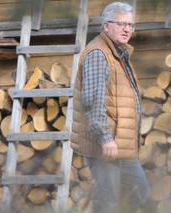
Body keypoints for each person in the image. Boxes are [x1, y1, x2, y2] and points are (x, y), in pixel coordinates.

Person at [70, 2, 150, 213]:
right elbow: (93, 100)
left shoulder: (118, 53)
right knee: (110, 203)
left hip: (121, 146)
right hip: (105, 146)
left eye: (130, 25)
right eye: (121, 24)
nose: (127, 29)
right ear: (106, 26)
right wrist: (105, 138)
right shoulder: (99, 54)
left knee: (138, 193)